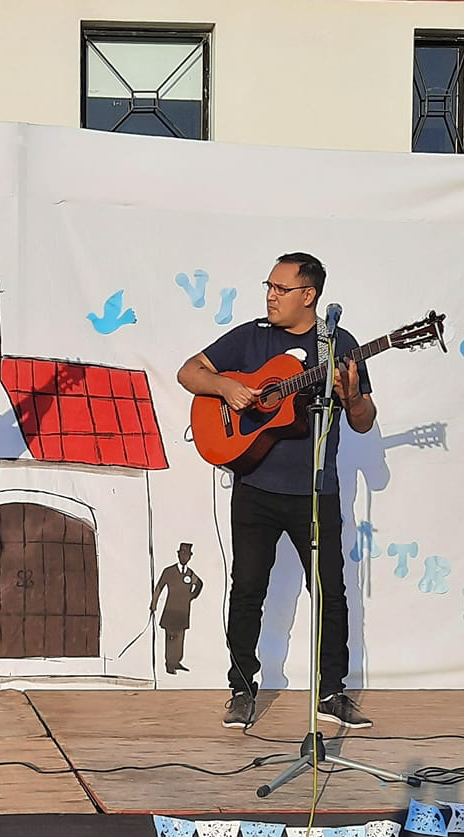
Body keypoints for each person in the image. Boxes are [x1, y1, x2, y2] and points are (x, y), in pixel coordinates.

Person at [177, 252, 375, 730]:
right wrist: (225, 387)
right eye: (268, 286)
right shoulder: (252, 337)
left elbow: (364, 421)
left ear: (309, 295)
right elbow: (189, 372)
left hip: (316, 492)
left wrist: (350, 396)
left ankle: (332, 692)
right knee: (248, 589)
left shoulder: (338, 345)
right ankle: (241, 689)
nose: (270, 296)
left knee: (329, 593)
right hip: (255, 488)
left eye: (280, 289)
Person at [150, 543, 204, 674]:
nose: (184, 557)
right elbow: (159, 587)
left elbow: (199, 584)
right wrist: (154, 604)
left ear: (190, 557)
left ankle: (177, 661)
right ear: (178, 555)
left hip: (183, 611)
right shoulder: (169, 571)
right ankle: (169, 664)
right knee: (171, 637)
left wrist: (192, 596)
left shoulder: (190, 574)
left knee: (180, 638)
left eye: (187, 555)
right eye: (182, 554)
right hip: (170, 610)